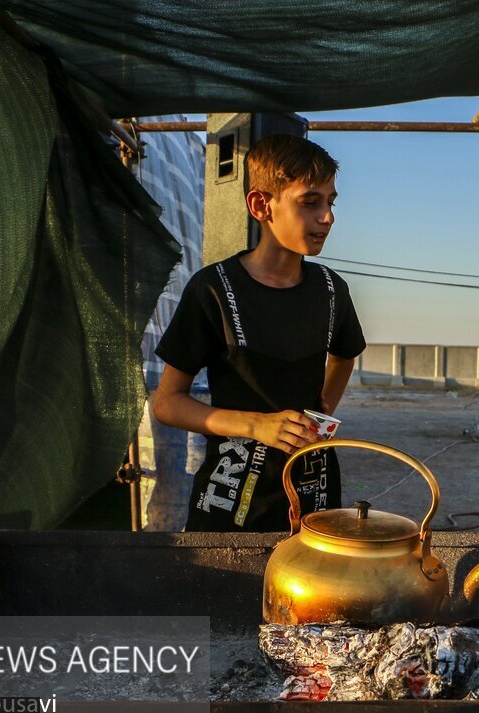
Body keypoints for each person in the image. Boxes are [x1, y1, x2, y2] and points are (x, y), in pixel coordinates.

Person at [152, 135, 365, 532]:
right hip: (230, 499)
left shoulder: (331, 290)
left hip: (312, 496)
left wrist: (320, 415)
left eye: (331, 203)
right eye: (310, 202)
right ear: (261, 205)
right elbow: (167, 404)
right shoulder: (212, 289)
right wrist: (256, 425)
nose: (328, 217)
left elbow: (344, 356)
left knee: (311, 592)